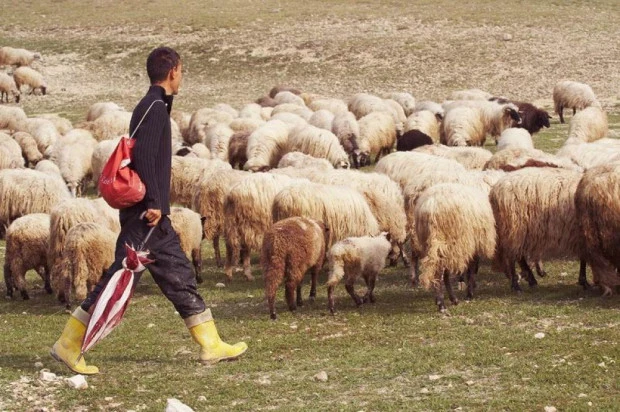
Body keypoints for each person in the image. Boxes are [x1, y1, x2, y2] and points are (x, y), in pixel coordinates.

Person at [50, 47, 247, 375]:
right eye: (181, 71)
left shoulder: (152, 105)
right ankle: (69, 343)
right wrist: (156, 204)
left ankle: (210, 344)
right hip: (147, 218)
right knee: (118, 278)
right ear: (172, 71)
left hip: (154, 220)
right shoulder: (154, 109)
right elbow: (145, 159)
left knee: (180, 275)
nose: (182, 77)